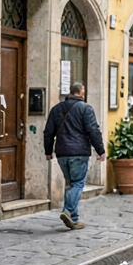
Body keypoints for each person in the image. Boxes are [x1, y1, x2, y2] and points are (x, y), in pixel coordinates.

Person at [43, 81, 105, 230]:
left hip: (62, 152)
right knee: (78, 183)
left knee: (70, 184)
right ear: (82, 92)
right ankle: (68, 210)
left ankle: (74, 219)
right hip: (79, 152)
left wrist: (48, 151)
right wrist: (100, 150)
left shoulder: (56, 109)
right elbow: (93, 131)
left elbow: (48, 132)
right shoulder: (86, 108)